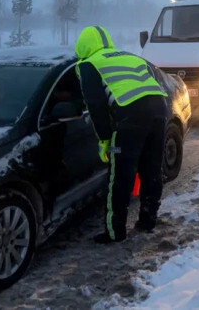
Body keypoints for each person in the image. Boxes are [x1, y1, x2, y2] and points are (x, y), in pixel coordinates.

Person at [74, 25, 169, 244]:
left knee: (121, 176)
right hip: (159, 109)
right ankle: (147, 220)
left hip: (131, 117)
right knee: (151, 169)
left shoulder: (88, 64)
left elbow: (95, 104)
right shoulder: (129, 56)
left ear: (82, 46)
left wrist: (105, 139)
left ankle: (115, 232)